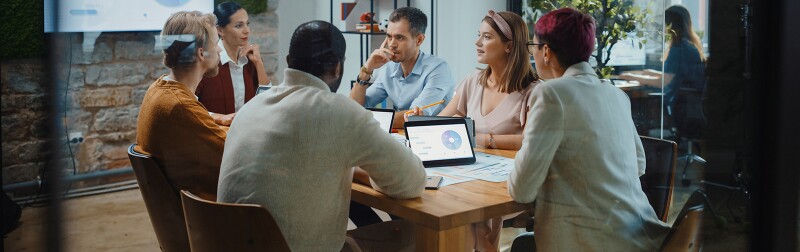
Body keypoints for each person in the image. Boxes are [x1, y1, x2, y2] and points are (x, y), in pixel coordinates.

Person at [217, 20, 426, 251]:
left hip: (230, 242)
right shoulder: (338, 112)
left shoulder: (252, 106)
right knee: (409, 232)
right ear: (337, 67)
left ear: (289, 62)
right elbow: (411, 182)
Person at [509, 8, 670, 251]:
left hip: (591, 242)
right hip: (640, 234)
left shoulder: (551, 93)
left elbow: (521, 189)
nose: (532, 51)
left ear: (546, 52)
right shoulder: (616, 94)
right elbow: (638, 165)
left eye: (534, 44)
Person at [408, 10, 538, 150]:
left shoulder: (535, 91)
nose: (477, 42)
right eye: (479, 35)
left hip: (511, 169)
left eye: (487, 37)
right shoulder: (473, 81)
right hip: (472, 168)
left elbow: (530, 140)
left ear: (509, 46)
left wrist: (482, 139)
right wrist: (422, 120)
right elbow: (441, 122)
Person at [135, 11, 226, 200]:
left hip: (185, 211)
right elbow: (234, 150)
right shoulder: (180, 106)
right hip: (211, 215)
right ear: (201, 53)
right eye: (216, 43)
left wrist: (215, 117)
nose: (219, 50)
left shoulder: (159, 89)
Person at [349, 7, 455, 129]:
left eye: (399, 38)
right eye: (389, 37)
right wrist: (367, 69)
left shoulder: (438, 69)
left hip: (433, 138)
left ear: (419, 39)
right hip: (402, 137)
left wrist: (366, 119)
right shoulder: (389, 68)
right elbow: (354, 108)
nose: (392, 44)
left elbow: (413, 117)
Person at [195, 1, 271, 126]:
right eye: (239, 26)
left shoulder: (251, 59)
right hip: (214, 138)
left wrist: (259, 64)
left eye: (248, 24)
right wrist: (218, 118)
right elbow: (187, 106)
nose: (246, 31)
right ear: (220, 30)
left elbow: (267, 101)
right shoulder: (206, 60)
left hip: (245, 135)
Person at [619, 5, 706, 112]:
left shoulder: (678, 48)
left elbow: (665, 82)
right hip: (689, 104)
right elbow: (677, 76)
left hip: (680, 106)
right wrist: (653, 73)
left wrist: (633, 77)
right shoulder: (688, 45)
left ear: (670, 25)